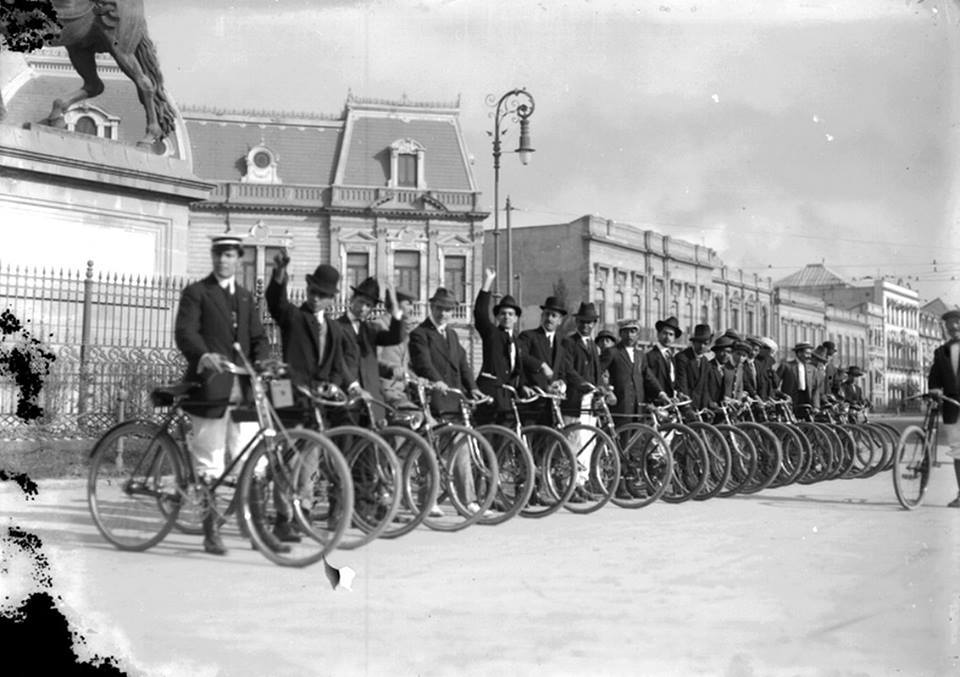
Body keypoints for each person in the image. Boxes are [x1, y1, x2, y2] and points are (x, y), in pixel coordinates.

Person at [174, 233, 277, 556]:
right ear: (213, 257)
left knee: (252, 461)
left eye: (230, 255)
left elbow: (258, 337)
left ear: (239, 259)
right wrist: (203, 355)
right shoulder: (197, 293)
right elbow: (185, 332)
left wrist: (262, 359)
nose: (223, 260)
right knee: (210, 460)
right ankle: (211, 532)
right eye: (218, 254)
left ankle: (258, 531)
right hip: (209, 389)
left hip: (242, 391)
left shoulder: (246, 298)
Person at [264, 252, 360, 542]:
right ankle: (282, 518)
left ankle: (302, 513)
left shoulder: (334, 328)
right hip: (286, 393)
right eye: (312, 292)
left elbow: (336, 365)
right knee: (286, 456)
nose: (315, 298)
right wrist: (279, 274)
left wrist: (333, 384)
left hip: (314, 400)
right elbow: (276, 303)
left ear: (331, 299)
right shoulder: (294, 317)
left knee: (309, 459)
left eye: (321, 294)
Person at [409, 287, 488, 515]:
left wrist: (473, 388)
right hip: (433, 400)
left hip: (454, 403)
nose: (444, 314)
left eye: (448, 310)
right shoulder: (420, 334)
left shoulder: (452, 335)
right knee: (430, 453)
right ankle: (428, 502)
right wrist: (437, 381)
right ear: (432, 308)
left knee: (461, 451)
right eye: (440, 309)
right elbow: (423, 363)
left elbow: (463, 364)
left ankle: (469, 501)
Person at [336, 276, 404, 424]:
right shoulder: (337, 327)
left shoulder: (370, 329)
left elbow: (394, 338)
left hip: (372, 401)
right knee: (347, 446)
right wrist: (353, 386)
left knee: (375, 445)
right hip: (348, 402)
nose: (363, 308)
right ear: (352, 299)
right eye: (361, 302)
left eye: (368, 305)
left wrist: (394, 308)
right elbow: (337, 362)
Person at [473, 268, 525, 424]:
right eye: (502, 314)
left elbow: (518, 371)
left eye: (510, 314)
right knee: (487, 439)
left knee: (506, 441)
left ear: (516, 318)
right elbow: (480, 313)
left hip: (506, 399)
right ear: (497, 317)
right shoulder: (492, 334)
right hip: (489, 394)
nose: (506, 317)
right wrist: (488, 281)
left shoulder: (517, 342)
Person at [518, 295, 581, 423]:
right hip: (531, 401)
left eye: (554, 316)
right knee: (528, 440)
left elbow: (563, 371)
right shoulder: (528, 336)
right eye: (546, 314)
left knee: (550, 440)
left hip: (551, 405)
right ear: (542, 316)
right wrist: (541, 365)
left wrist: (561, 384)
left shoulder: (562, 343)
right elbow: (520, 356)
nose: (549, 319)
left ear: (560, 321)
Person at [561, 301, 603, 487]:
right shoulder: (569, 342)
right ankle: (570, 483)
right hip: (574, 400)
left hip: (590, 402)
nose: (585, 326)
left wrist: (600, 389)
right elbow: (568, 369)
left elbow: (597, 372)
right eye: (582, 322)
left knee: (588, 442)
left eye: (589, 322)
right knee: (574, 441)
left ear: (594, 324)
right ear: (577, 323)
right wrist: (583, 384)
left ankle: (582, 483)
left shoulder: (593, 345)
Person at [599, 318, 668, 426]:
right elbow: (597, 371)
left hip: (639, 407)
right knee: (621, 439)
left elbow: (648, 377)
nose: (630, 335)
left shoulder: (640, 355)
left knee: (637, 439)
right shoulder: (612, 352)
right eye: (626, 331)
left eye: (633, 331)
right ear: (620, 333)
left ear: (637, 334)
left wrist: (661, 393)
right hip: (620, 406)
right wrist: (607, 390)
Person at [927, 309, 960, 507]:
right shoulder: (940, 352)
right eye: (950, 325)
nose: (953, 327)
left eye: (957, 323)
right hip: (952, 408)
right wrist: (934, 390)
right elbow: (934, 377)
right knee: (958, 452)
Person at [378, 289, 421, 412]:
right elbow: (372, 359)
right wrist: (391, 368)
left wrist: (416, 378)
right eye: (408, 303)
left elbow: (404, 364)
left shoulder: (402, 331)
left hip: (402, 391)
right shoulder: (379, 325)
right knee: (421, 419)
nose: (412, 308)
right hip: (385, 392)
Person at [674, 324, 712, 411]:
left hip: (699, 408)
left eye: (705, 343)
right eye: (699, 342)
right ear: (693, 342)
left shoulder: (705, 361)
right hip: (685, 405)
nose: (702, 346)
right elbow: (682, 383)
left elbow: (705, 387)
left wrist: (705, 407)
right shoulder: (682, 357)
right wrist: (687, 407)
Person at [776, 342, 818, 416]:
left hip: (806, 398)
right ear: (799, 353)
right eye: (807, 353)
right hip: (791, 399)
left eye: (810, 354)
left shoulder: (812, 369)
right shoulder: (787, 366)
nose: (809, 356)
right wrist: (781, 396)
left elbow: (815, 389)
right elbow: (775, 384)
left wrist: (816, 406)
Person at [646, 316, 681, 398]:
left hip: (671, 402)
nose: (667, 337)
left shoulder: (671, 357)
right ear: (658, 334)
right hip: (656, 401)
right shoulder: (650, 356)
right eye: (664, 333)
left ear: (674, 338)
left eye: (671, 334)